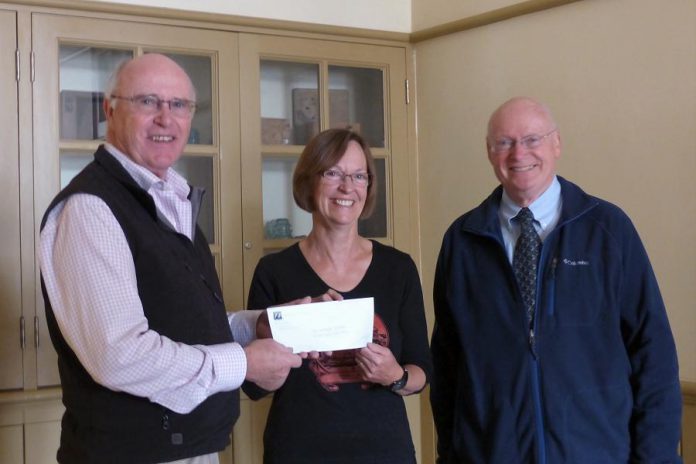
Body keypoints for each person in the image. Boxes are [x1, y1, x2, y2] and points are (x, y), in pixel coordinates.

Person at [39, 53, 311, 464]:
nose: (166, 118)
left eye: (179, 104)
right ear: (110, 110)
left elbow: (182, 322)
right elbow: (120, 356)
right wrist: (242, 362)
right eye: (148, 101)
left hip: (189, 449)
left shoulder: (169, 199)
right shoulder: (90, 209)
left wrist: (256, 325)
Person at [430, 97, 683, 464]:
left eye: (532, 139)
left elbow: (653, 353)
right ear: (489, 152)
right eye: (504, 142)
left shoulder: (609, 230)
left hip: (597, 454)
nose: (519, 153)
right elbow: (447, 365)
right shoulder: (462, 240)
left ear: (557, 144)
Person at [243, 128, 433, 464]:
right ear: (308, 181)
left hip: (384, 453)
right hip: (298, 453)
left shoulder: (398, 269)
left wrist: (395, 376)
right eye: (333, 173)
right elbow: (255, 387)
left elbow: (421, 371)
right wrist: (283, 342)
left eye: (359, 176)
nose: (348, 187)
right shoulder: (274, 272)